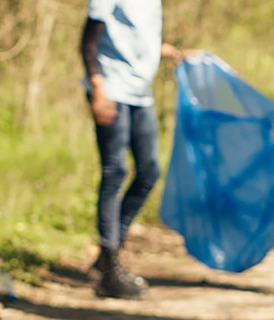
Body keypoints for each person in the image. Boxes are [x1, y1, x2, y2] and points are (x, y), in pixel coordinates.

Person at [79, 0, 198, 300]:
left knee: (149, 171)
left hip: (139, 93)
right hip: (111, 89)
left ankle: (110, 251)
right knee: (115, 170)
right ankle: (110, 268)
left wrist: (173, 52)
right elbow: (88, 40)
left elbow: (135, 39)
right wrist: (97, 87)